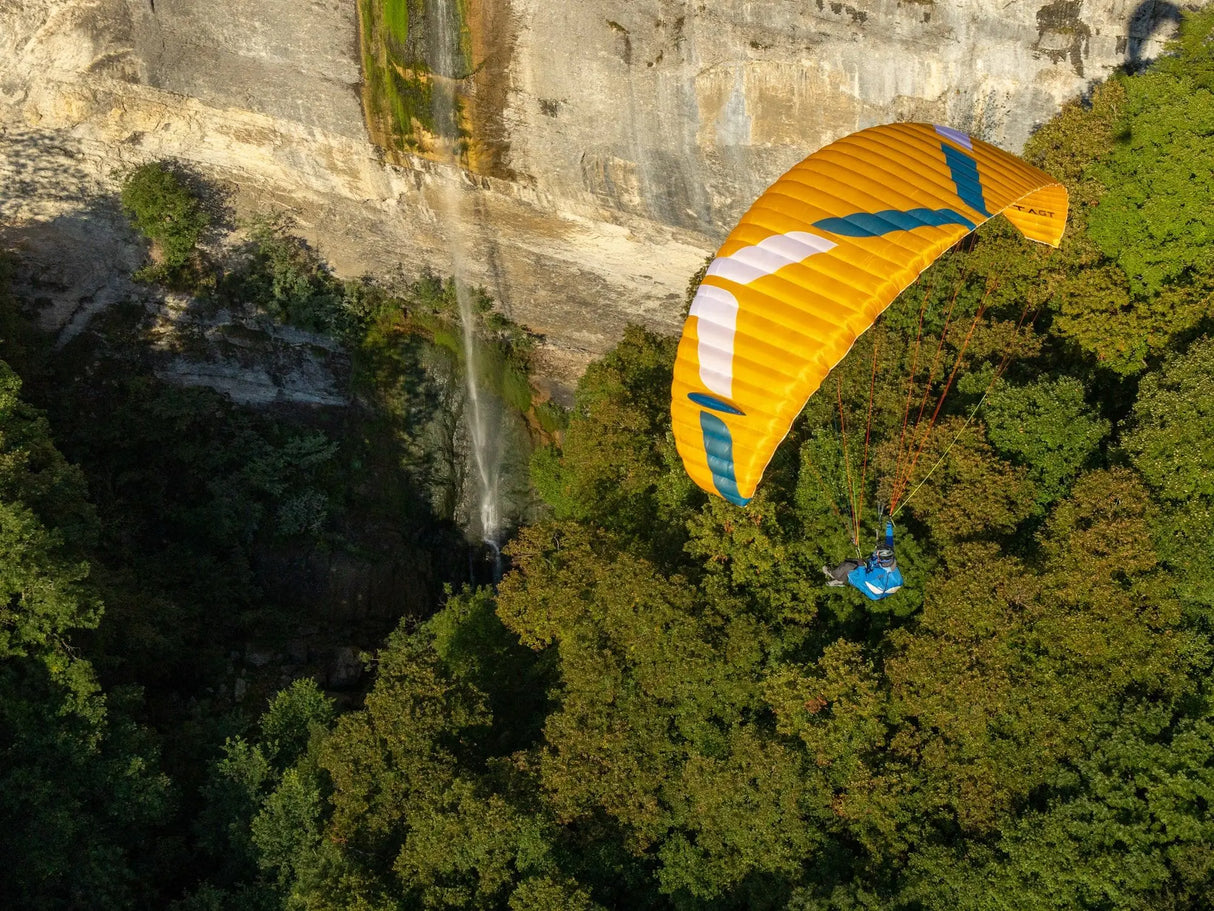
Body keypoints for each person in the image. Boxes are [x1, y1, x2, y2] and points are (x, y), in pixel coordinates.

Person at [823, 520, 903, 600]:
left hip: (874, 589)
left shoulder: (880, 571)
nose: (876, 552)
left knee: (847, 566)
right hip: (873, 574)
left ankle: (834, 576)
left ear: (881, 557)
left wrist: (861, 566)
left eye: (878, 552)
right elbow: (889, 539)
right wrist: (888, 525)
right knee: (849, 561)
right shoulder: (889, 555)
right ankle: (841, 580)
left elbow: (863, 578)